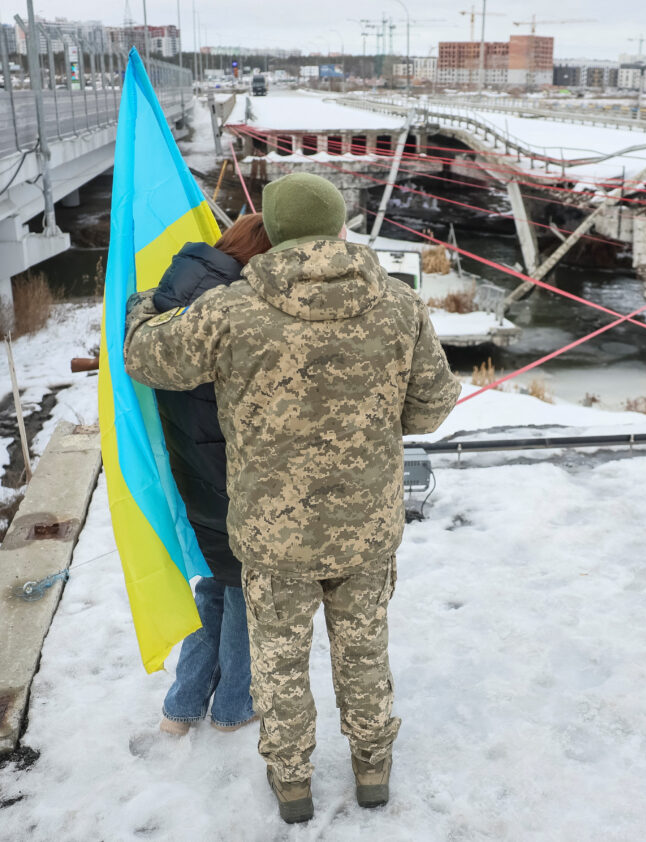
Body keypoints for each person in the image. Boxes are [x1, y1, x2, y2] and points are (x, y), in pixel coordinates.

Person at [123, 172, 461, 824]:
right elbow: (430, 410)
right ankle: (372, 769)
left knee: (279, 664)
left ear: (270, 233)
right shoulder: (397, 304)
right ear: (339, 228)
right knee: (363, 652)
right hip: (365, 526)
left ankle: (292, 783)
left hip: (273, 534)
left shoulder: (231, 309)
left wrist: (141, 307)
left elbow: (147, 359)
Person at [151, 214, 272, 737]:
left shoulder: (181, 285)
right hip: (227, 466)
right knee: (245, 588)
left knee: (218, 587)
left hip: (192, 463)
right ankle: (233, 709)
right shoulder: (227, 304)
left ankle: (181, 707)